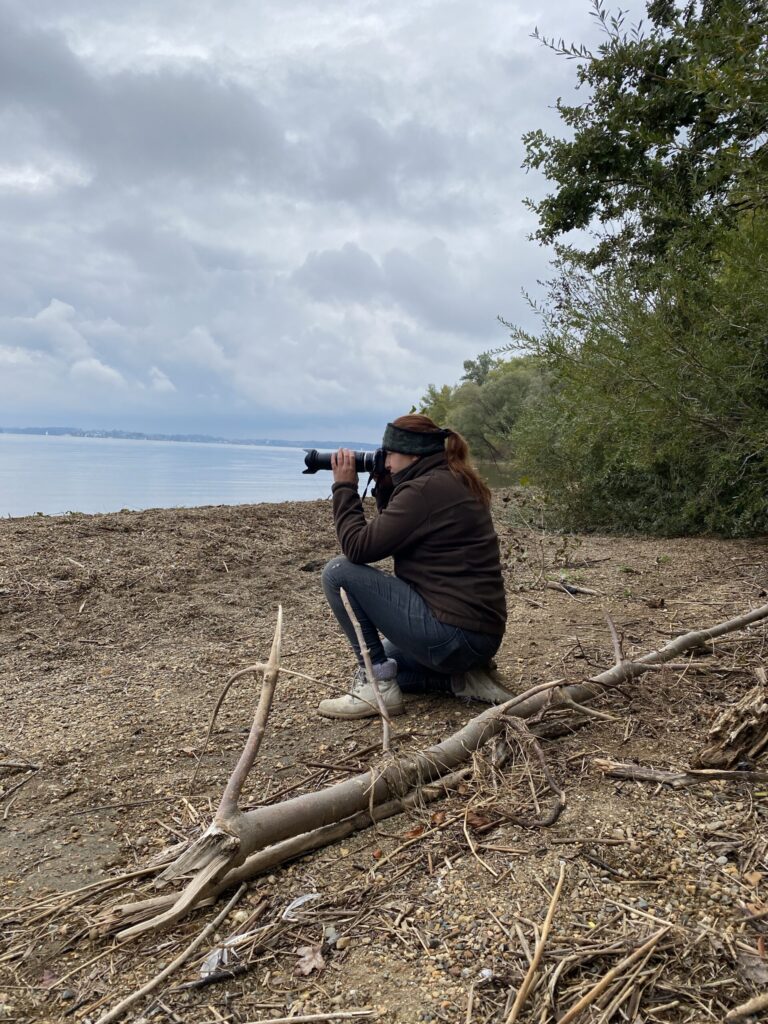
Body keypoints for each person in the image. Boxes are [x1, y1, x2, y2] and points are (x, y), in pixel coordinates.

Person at [317, 413, 510, 719]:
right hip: (479, 638)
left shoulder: (424, 490)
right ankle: (462, 680)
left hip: (454, 636)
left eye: (390, 454)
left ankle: (377, 689)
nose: (385, 462)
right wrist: (385, 487)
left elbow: (358, 548)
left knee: (338, 572)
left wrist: (344, 487)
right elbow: (398, 533)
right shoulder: (449, 478)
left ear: (413, 454)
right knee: (386, 660)